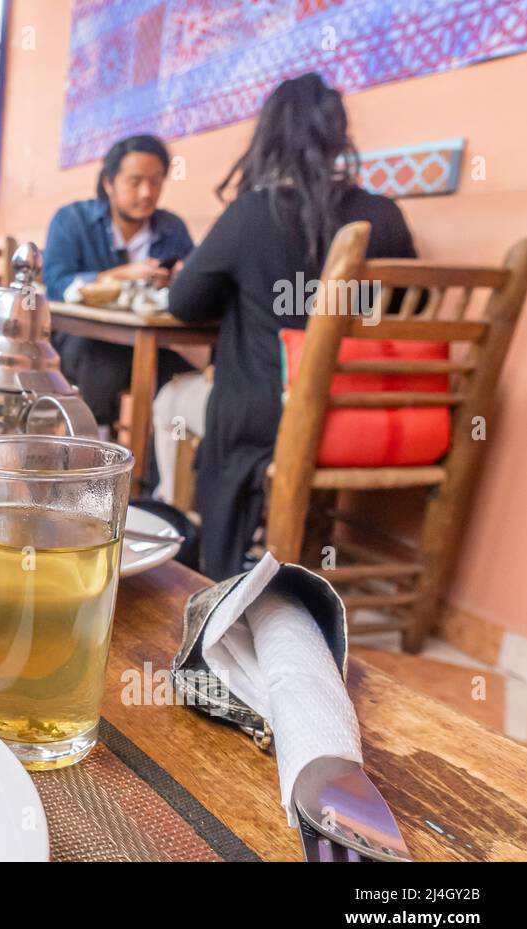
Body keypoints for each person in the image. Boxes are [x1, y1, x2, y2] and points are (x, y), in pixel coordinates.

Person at [166, 73, 419, 580]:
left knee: (172, 400)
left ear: (268, 137)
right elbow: (413, 304)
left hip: (273, 416)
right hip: (364, 415)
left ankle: (197, 559)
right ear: (337, 135)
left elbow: (183, 304)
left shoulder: (253, 213)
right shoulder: (384, 215)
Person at [43, 135, 197, 436]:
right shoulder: (71, 220)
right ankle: (94, 446)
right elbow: (56, 283)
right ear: (109, 183)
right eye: (135, 181)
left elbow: (194, 284)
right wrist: (115, 276)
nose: (146, 193)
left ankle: (157, 472)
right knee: (101, 359)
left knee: (180, 374)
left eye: (156, 182)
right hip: (80, 340)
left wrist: (180, 278)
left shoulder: (172, 228)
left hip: (149, 340)